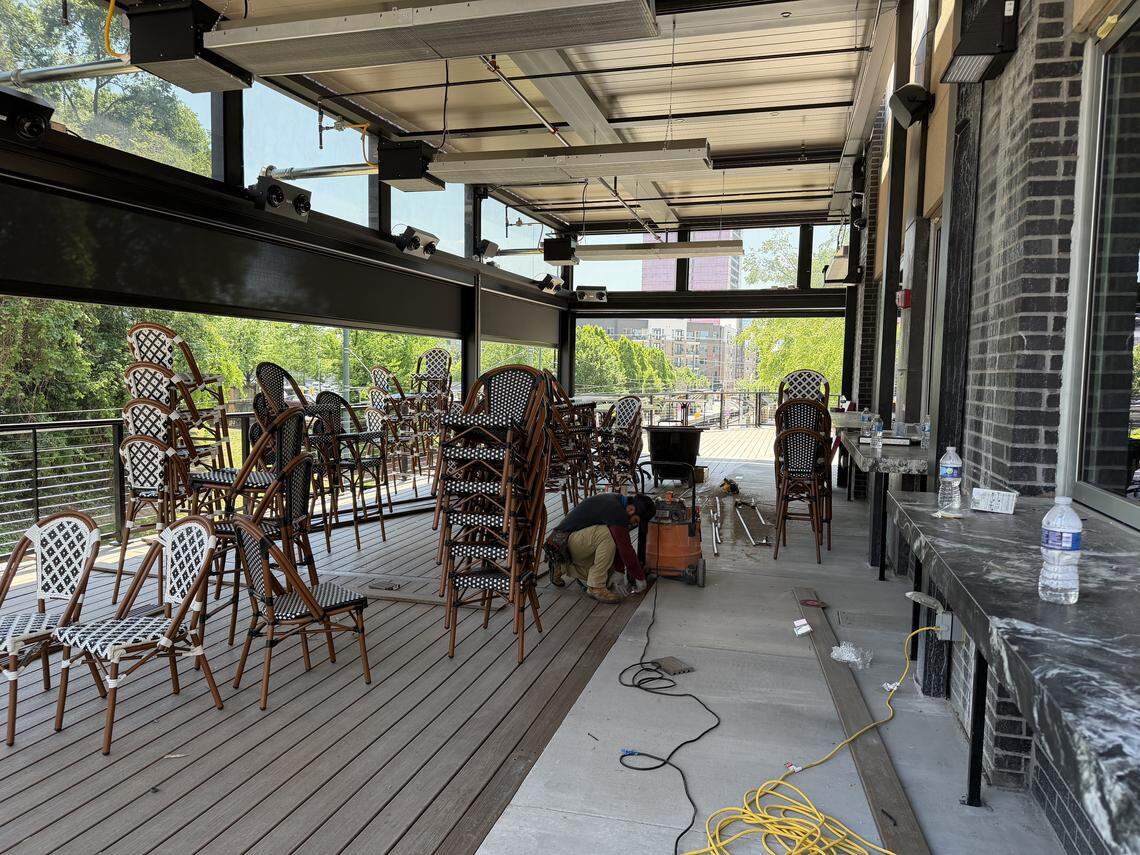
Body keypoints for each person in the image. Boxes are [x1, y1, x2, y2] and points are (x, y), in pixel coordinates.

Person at [545, 493, 656, 604]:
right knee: (606, 534)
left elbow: (620, 542)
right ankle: (595, 587)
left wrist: (619, 571)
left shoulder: (617, 502)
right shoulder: (616, 510)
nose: (633, 524)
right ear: (631, 509)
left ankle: (562, 566)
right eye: (636, 521)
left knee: (608, 579)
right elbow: (625, 548)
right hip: (563, 543)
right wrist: (639, 577)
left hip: (568, 545)